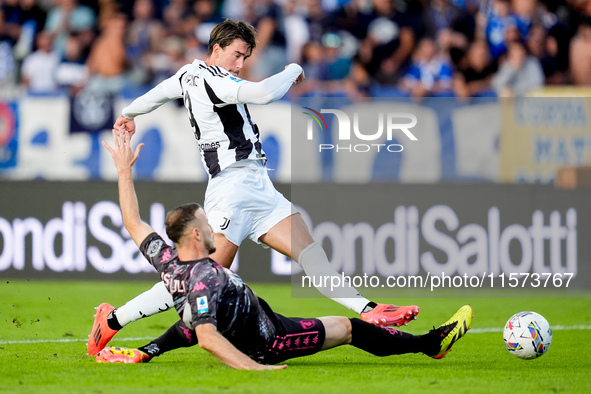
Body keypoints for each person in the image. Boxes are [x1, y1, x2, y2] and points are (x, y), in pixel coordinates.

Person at [87, 19, 420, 356]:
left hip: (258, 185)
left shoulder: (189, 74)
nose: (240, 64)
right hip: (232, 191)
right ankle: (114, 319)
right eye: (236, 55)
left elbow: (159, 93)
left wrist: (129, 112)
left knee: (310, 253)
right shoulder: (213, 80)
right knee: (200, 278)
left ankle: (367, 309)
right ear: (216, 49)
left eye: (245, 57)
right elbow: (263, 93)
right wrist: (293, 69)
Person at [94, 126, 472, 369]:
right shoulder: (205, 277)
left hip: (265, 320)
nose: (215, 228)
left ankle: (118, 328)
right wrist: (257, 367)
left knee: (346, 327)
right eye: (208, 223)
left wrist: (124, 171)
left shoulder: (169, 262)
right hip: (270, 340)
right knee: (349, 329)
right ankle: (431, 344)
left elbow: (133, 221)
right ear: (195, 235)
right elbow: (204, 337)